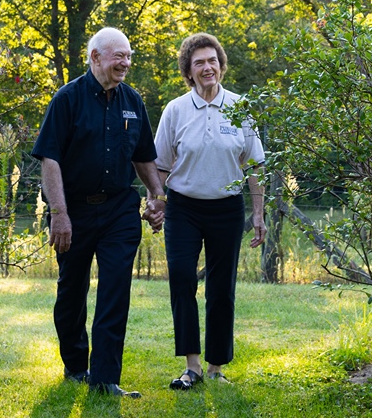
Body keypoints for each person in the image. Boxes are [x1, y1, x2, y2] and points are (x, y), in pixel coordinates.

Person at [31, 27, 166, 398]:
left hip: (119, 210)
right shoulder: (67, 99)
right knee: (71, 291)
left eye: (128, 56)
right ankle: (76, 366)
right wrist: (58, 213)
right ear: (95, 58)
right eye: (118, 56)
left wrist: (157, 194)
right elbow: (50, 159)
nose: (125, 63)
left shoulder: (132, 101)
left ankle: (105, 379)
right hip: (72, 210)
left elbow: (143, 155)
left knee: (114, 290)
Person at [149, 32, 266, 389]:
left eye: (212, 60)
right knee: (183, 279)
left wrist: (258, 214)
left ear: (221, 66)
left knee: (221, 289)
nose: (206, 67)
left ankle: (216, 367)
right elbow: (160, 166)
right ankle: (192, 366)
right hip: (183, 209)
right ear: (188, 70)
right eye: (198, 62)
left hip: (227, 210)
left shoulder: (240, 107)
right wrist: (157, 202)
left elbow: (257, 165)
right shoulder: (175, 110)